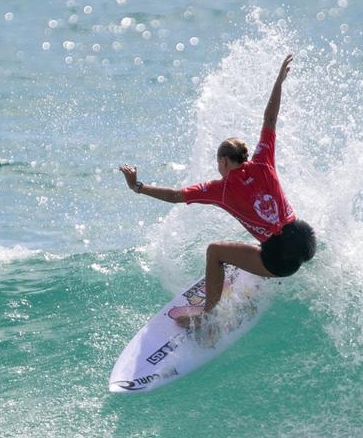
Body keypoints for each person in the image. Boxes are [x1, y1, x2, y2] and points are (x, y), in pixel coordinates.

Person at [118, 54, 317, 328]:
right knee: (267, 232)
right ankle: (258, 262)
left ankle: (207, 317)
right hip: (305, 241)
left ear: (224, 161)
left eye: (218, 162)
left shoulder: (220, 189)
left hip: (279, 261)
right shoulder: (263, 161)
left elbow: (176, 196)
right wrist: (279, 81)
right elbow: (270, 117)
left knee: (215, 251)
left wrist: (138, 187)